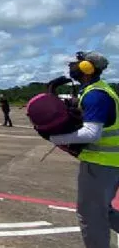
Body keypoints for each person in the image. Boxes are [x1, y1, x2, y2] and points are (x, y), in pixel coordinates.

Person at [48, 51, 119, 248]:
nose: (73, 66)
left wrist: (56, 138)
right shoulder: (99, 89)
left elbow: (91, 133)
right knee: (104, 210)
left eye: (78, 63)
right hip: (110, 162)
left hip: (101, 164)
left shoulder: (96, 95)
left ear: (87, 68)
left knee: (91, 216)